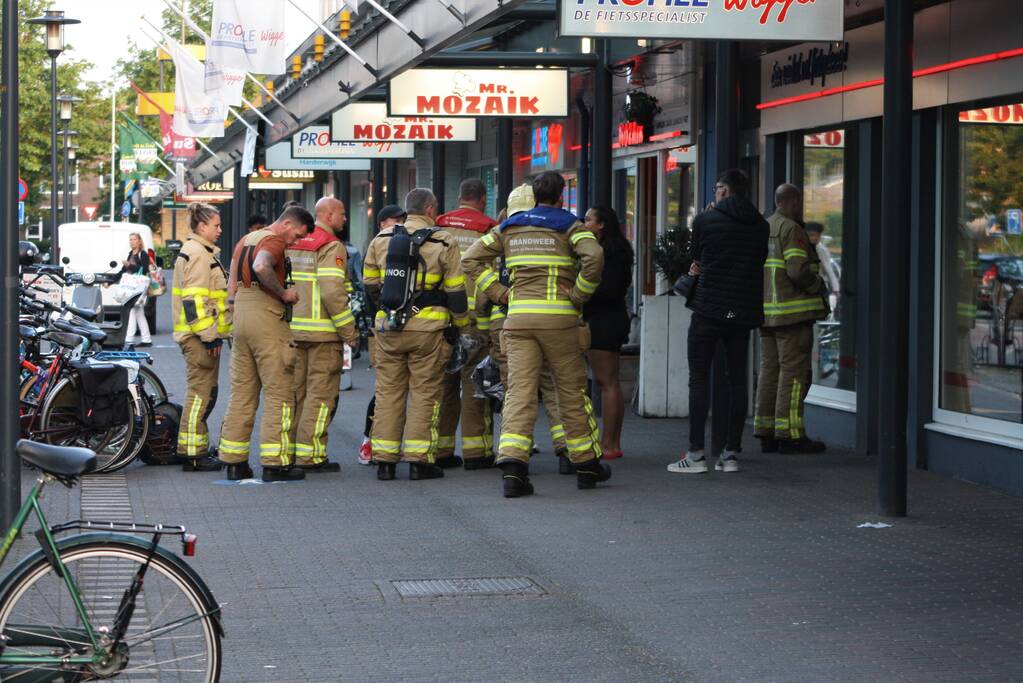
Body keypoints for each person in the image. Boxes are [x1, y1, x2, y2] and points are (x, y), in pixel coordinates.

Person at [462, 171, 609, 498]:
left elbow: (470, 259)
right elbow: (595, 257)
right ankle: (586, 465)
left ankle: (513, 469)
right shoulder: (570, 226)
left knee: (519, 391)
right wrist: (580, 294)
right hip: (559, 320)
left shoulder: (510, 227)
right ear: (561, 195)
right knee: (570, 391)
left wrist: (500, 293)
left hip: (518, 320)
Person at [363, 189, 470, 482]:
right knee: (425, 393)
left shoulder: (382, 239)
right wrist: (461, 324)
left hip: (388, 329)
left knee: (388, 393)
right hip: (429, 330)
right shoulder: (443, 240)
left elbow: (370, 284)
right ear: (431, 208)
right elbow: (456, 290)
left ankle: (384, 461)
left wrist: (387, 311)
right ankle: (419, 461)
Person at [667, 169, 768, 475]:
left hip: (709, 309)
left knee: (699, 378)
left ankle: (696, 454)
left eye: (716, 188)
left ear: (724, 191)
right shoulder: (761, 225)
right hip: (741, 311)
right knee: (737, 380)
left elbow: (696, 257)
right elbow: (758, 261)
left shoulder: (705, 221)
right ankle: (730, 453)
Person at [219, 206, 314, 482]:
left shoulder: (244, 240)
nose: (294, 242)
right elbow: (261, 265)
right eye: (296, 235)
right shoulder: (272, 239)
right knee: (279, 392)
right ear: (287, 223)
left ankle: (234, 462)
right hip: (266, 317)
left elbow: (232, 287)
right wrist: (283, 292)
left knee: (242, 392)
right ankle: (276, 463)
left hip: (242, 315)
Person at [477, 192, 570, 473]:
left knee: (516, 390)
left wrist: (498, 295)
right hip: (552, 320)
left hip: (509, 324)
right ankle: (568, 450)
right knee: (555, 387)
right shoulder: (556, 234)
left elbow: (478, 270)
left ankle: (515, 452)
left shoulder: (501, 234)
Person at [753, 184, 828, 454]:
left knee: (769, 372)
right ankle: (791, 433)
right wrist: (817, 284)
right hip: (793, 315)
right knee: (794, 376)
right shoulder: (791, 229)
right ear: (793, 201)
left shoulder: (765, 226)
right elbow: (797, 271)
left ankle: (766, 429)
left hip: (767, 315)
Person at [286, 197, 359, 473]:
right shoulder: (331, 245)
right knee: (320, 396)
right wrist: (348, 331)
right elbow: (332, 291)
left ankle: (291, 451)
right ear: (328, 215)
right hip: (324, 336)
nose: (345, 219)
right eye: (341, 213)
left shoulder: (294, 240)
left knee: (295, 395)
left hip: (293, 331)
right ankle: (312, 455)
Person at [435, 179, 499, 469]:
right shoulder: (488, 227)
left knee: (443, 386)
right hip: (476, 321)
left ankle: (441, 451)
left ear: (459, 197)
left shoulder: (438, 225)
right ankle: (476, 453)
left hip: (441, 319)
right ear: (483, 199)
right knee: (475, 385)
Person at [172, 203, 232, 472]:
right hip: (199, 338)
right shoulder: (198, 254)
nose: (220, 230)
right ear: (201, 226)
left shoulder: (199, 251)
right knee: (200, 395)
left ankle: (194, 449)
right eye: (216, 225)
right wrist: (210, 336)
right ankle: (193, 454)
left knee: (204, 393)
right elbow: (194, 301)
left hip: (198, 336)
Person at [582, 206, 633, 460]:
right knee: (610, 382)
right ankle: (612, 442)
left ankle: (609, 445)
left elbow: (606, 290)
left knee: (607, 382)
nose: (584, 222)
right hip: (614, 318)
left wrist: (578, 295)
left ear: (601, 224)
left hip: (602, 320)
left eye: (589, 219)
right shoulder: (621, 249)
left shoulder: (608, 253)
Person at [357, 204, 407, 466]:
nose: (400, 223)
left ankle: (380, 446)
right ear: (381, 223)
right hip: (385, 328)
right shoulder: (379, 244)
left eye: (403, 219)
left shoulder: (406, 240)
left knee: (390, 390)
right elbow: (370, 288)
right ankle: (370, 441)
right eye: (394, 220)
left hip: (390, 324)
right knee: (387, 390)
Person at [122, 232, 152, 347]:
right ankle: (146, 339)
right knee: (139, 313)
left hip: (139, 287)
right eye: (130, 239)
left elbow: (144, 270)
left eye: (134, 239)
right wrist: (110, 281)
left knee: (132, 311)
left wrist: (129, 265)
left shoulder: (143, 254)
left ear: (139, 241)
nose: (132, 241)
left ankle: (129, 339)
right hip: (132, 287)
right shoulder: (130, 254)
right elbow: (123, 270)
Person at [804, 221, 841, 313]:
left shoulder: (821, 249)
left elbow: (829, 270)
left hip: (818, 287)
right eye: (811, 235)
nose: (815, 238)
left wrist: (835, 289)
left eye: (818, 235)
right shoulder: (800, 248)